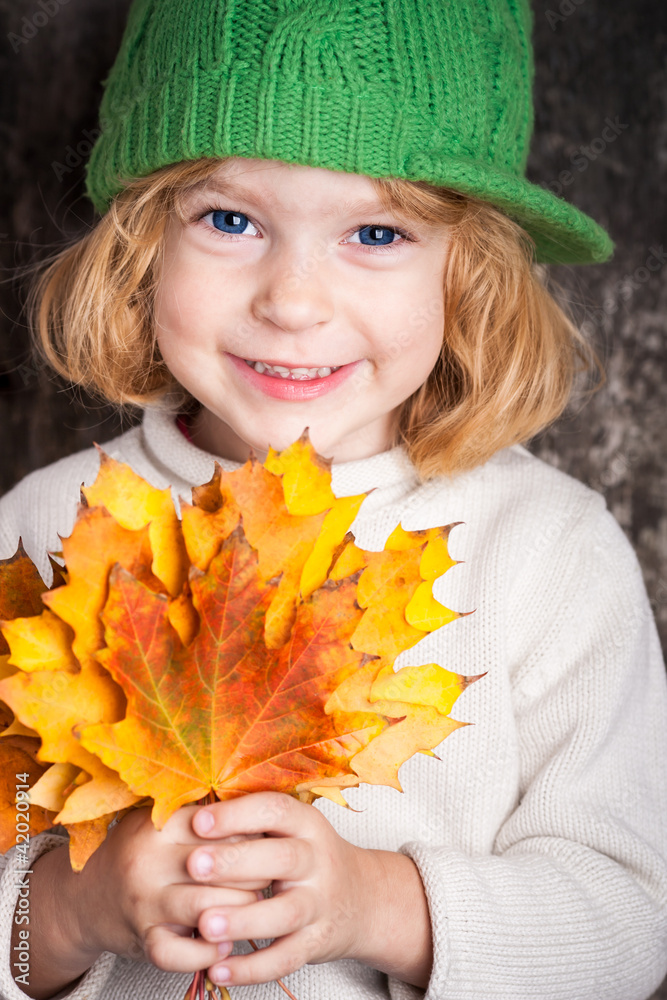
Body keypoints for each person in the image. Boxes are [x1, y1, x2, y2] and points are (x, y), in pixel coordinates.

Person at [1, 1, 666, 998]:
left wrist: (375, 904)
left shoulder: (548, 552)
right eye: (230, 220)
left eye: (375, 231)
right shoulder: (46, 528)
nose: (294, 301)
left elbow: (629, 927)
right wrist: (70, 908)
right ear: (140, 244)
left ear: (468, 273)